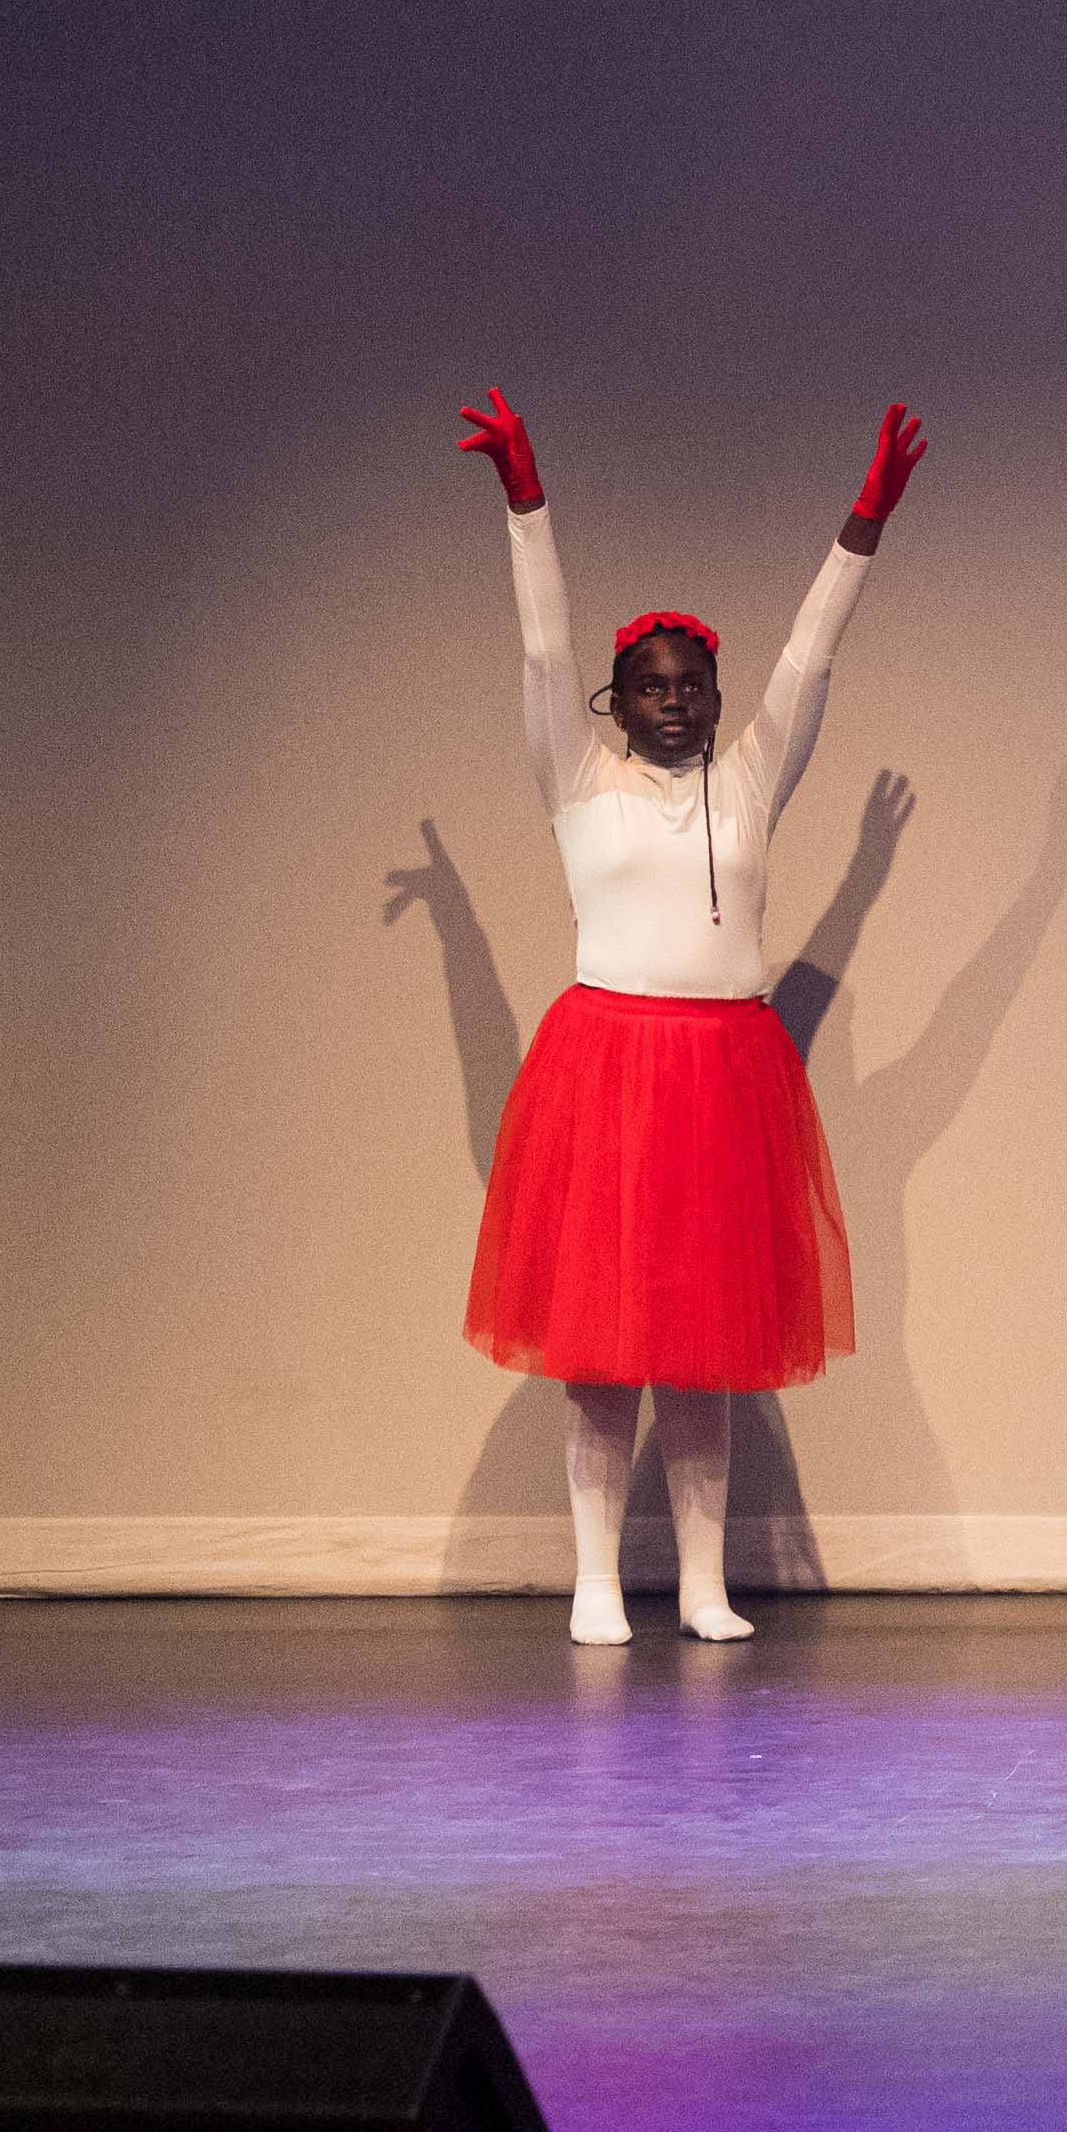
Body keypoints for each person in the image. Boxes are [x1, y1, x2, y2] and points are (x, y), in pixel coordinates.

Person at [451, 386, 923, 1644]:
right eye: (650, 687)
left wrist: (864, 524)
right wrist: (525, 501)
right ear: (615, 704)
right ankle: (597, 1578)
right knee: (605, 1354)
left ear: (716, 697)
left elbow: (811, 657)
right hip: (607, 1069)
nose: (674, 701)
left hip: (725, 1076)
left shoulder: (753, 780)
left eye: (694, 685)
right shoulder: (578, 778)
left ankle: (704, 1581)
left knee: (704, 1352)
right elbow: (542, 652)